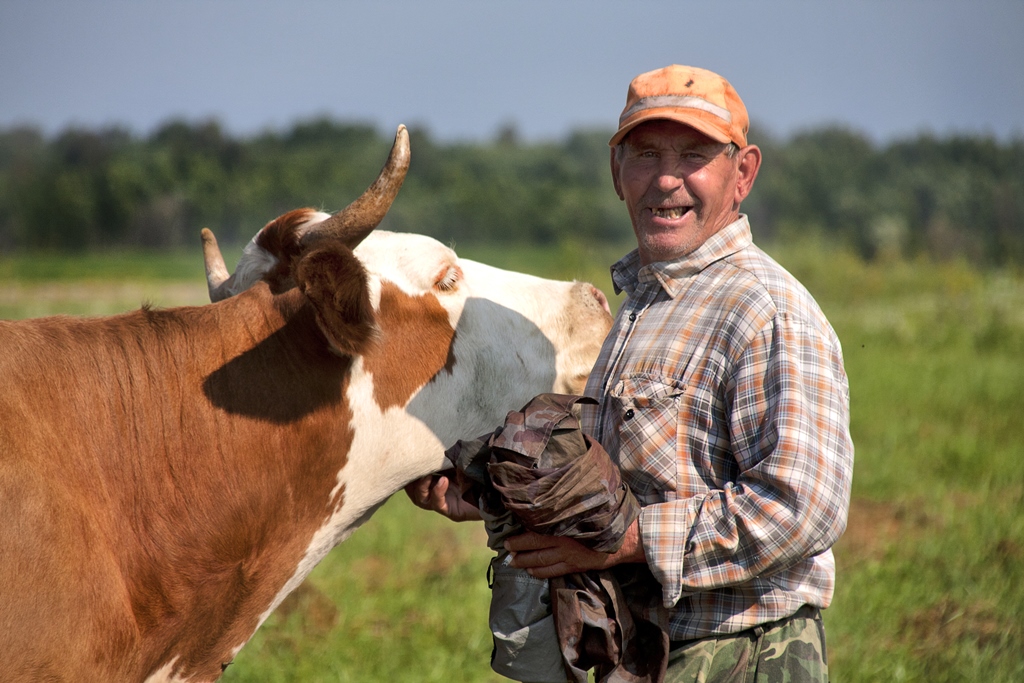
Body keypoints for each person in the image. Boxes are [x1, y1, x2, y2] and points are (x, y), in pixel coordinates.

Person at [407, 64, 853, 682]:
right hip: (646, 651)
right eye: (644, 154)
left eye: (694, 155)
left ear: (742, 172)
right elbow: (630, 480)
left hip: (739, 653)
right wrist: (493, 499)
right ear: (617, 172)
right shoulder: (648, 302)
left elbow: (800, 508)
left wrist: (632, 540)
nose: (666, 179)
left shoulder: (765, 310)